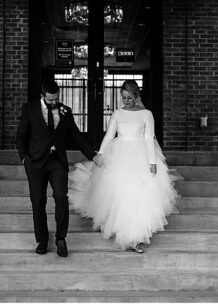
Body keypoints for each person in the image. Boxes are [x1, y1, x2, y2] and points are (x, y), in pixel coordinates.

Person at [68, 80, 180, 253]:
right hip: (119, 155)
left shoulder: (146, 114)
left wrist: (152, 162)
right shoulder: (118, 114)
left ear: (136, 96)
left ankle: (135, 238)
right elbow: (109, 135)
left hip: (140, 156)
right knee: (120, 194)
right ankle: (122, 230)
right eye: (123, 98)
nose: (125, 101)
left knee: (137, 196)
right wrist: (101, 153)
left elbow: (149, 138)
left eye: (129, 98)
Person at [16, 80, 98, 257]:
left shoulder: (65, 111)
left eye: (56, 99)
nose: (54, 102)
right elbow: (21, 135)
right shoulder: (29, 109)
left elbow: (76, 136)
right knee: (38, 202)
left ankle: (61, 238)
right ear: (42, 96)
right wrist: (24, 158)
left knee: (61, 197)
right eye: (51, 99)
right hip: (35, 163)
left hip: (57, 162)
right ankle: (42, 240)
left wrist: (93, 155)